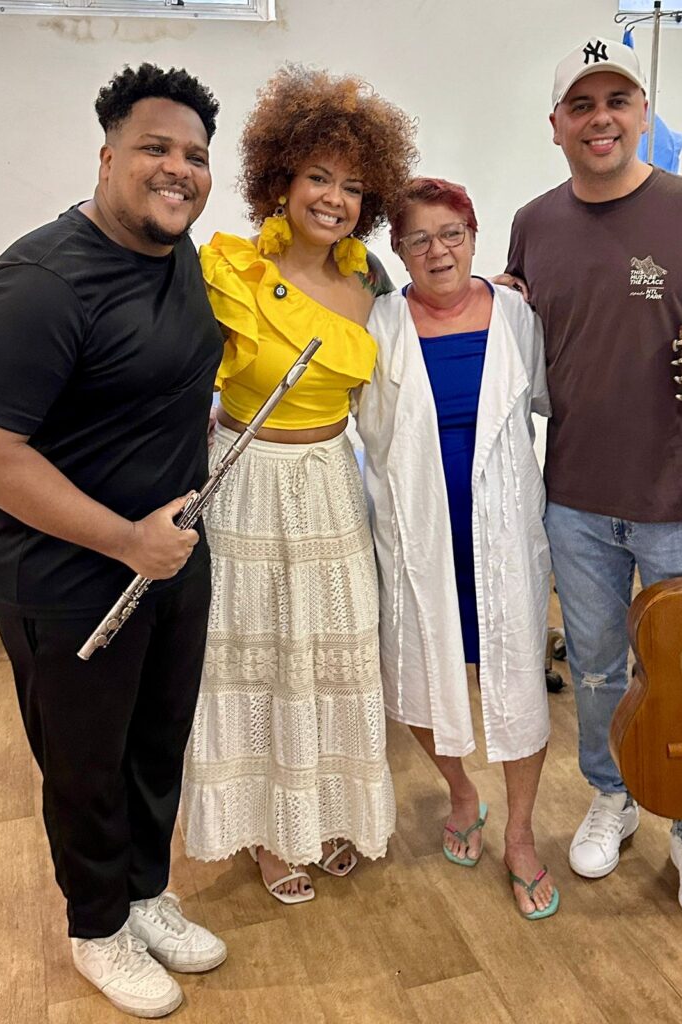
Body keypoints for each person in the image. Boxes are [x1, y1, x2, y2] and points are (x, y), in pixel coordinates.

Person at [0, 65, 228, 1018]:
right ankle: (97, 927)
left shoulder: (176, 254)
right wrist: (123, 540)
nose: (178, 169)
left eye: (194, 155)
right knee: (85, 765)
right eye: (155, 148)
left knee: (156, 742)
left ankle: (144, 894)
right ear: (107, 157)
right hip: (67, 575)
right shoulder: (38, 284)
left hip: (170, 555)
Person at [504, 38, 682, 924]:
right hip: (574, 501)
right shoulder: (533, 224)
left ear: (642, 115)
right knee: (594, 670)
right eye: (581, 105)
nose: (601, 119)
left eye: (617, 101)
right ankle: (614, 793)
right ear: (555, 125)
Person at [181, 65, 418, 904]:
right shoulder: (230, 268)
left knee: (331, 654)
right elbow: (177, 378)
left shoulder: (371, 281)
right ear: (279, 179)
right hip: (247, 481)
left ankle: (323, 813)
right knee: (258, 658)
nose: (334, 199)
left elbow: (418, 340)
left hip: (328, 484)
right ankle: (266, 832)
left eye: (353, 187)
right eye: (319, 176)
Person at [356, 178, 556, 920]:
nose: (437, 251)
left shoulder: (516, 315)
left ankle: (521, 835)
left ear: (473, 237)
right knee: (415, 668)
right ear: (398, 249)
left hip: (502, 524)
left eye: (451, 234)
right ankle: (462, 793)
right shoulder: (377, 321)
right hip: (415, 526)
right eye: (418, 238)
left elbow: (546, 402)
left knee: (518, 677)